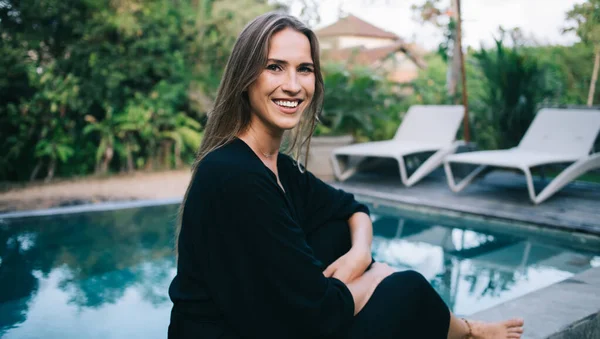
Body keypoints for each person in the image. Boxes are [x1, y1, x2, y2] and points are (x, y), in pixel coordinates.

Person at [167, 11, 525, 339]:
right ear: (245, 77)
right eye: (275, 67)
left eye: (304, 69)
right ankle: (468, 332)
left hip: (273, 321)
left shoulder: (278, 166)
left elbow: (352, 209)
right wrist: (373, 276)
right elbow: (316, 315)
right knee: (408, 289)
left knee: (337, 232)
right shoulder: (235, 176)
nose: (293, 85)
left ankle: (465, 330)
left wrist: (359, 255)